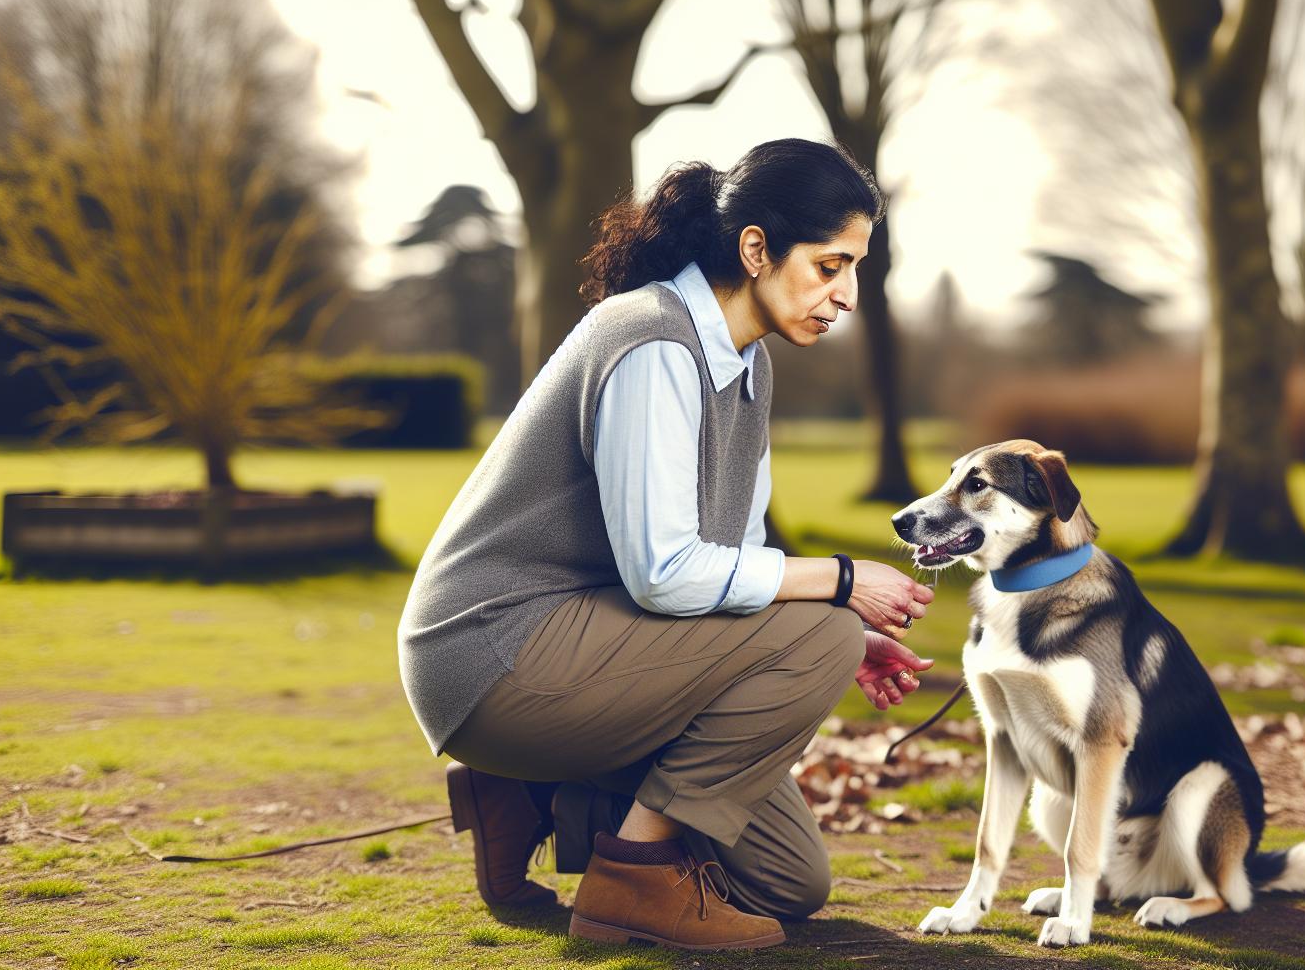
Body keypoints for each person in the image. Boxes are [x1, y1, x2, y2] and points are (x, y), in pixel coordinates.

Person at [396, 138, 938, 951]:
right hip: (492, 654)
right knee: (822, 618)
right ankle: (633, 877)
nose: (847, 296)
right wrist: (840, 583)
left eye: (855, 269)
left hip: (590, 652)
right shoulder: (652, 342)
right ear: (756, 248)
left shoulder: (747, 364)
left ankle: (530, 797)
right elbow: (664, 574)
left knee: (790, 881)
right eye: (830, 266)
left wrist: (826, 641)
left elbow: (736, 549)